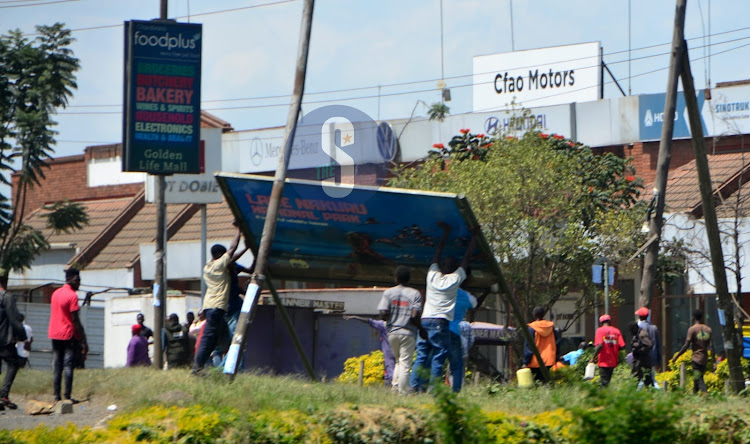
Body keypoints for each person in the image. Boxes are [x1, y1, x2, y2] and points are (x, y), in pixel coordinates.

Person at [410, 222, 477, 393]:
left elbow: (437, 254)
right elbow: (467, 258)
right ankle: (433, 391)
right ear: (455, 269)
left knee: (422, 355)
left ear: (440, 267)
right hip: (441, 322)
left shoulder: (431, 276)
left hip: (425, 320)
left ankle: (414, 389)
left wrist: (445, 233)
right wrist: (475, 236)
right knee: (439, 356)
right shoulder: (455, 280)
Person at [192, 223, 248, 375]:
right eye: (223, 255)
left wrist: (245, 249)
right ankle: (197, 368)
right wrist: (239, 230)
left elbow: (233, 258)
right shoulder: (219, 265)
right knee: (208, 339)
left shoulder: (208, 266)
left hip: (209, 306)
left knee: (213, 340)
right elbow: (232, 249)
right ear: (220, 256)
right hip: (218, 307)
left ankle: (201, 367)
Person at [376, 265, 422, 393]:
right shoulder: (415, 293)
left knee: (398, 362)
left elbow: (383, 313)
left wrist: (391, 318)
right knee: (405, 363)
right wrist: (421, 329)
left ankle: (395, 388)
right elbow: (414, 315)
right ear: (409, 279)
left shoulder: (388, 293)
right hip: (408, 333)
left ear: (396, 278)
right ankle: (403, 393)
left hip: (392, 333)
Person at [48, 268, 87, 403]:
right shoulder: (72, 296)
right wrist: (83, 340)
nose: (79, 283)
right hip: (68, 334)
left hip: (54, 333)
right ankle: (67, 396)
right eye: (77, 280)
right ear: (69, 279)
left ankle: (56, 395)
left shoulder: (55, 293)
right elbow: (75, 319)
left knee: (57, 365)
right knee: (68, 365)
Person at [343, 315, 396, 387]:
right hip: (398, 351)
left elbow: (369, 321)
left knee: (390, 371)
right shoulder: (400, 326)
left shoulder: (383, 325)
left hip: (388, 353)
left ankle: (393, 387)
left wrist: (355, 317)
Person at [672, 309, 714, 393]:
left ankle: (706, 394)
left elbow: (686, 345)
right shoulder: (708, 329)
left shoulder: (692, 329)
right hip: (704, 358)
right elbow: (711, 346)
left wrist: (676, 356)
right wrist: (713, 361)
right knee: (696, 378)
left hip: (696, 358)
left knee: (698, 378)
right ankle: (694, 396)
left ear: (693, 317)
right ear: (702, 317)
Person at [446, 286, 477, 392]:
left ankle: (451, 386)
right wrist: (467, 348)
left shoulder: (453, 323)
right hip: (464, 351)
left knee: (451, 369)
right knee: (461, 370)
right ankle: (460, 387)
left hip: (452, 347)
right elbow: (472, 339)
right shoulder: (467, 325)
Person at [0, 285, 27, 410]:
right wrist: (22, 336)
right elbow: (14, 319)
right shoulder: (7, 297)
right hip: (4, 339)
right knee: (13, 364)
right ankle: (4, 395)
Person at [523, 306, 560, 383]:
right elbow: (557, 342)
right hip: (549, 360)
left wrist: (526, 361)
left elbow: (529, 346)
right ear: (543, 314)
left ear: (534, 315)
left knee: (535, 383)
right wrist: (556, 356)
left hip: (535, 361)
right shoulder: (551, 327)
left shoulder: (531, 328)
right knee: (546, 382)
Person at [590, 314, 624, 388]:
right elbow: (622, 346)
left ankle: (604, 398)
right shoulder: (616, 331)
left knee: (604, 383)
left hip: (603, 361)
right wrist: (613, 349)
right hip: (613, 361)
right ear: (610, 321)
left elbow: (600, 345)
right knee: (607, 381)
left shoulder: (600, 330)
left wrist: (593, 358)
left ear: (601, 323)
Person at [635, 306, 661, 385]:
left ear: (640, 316)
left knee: (639, 379)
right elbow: (658, 344)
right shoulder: (654, 328)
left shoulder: (638, 327)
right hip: (652, 357)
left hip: (642, 357)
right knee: (650, 377)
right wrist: (658, 358)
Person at [629, 321, 654, 389]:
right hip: (638, 361)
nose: (631, 333)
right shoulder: (636, 335)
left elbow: (649, 345)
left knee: (647, 381)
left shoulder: (642, 334)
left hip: (643, 362)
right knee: (634, 380)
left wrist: (639, 349)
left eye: (631, 331)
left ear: (634, 328)